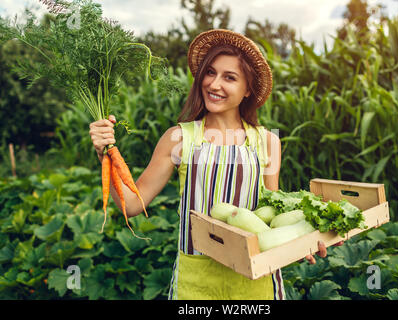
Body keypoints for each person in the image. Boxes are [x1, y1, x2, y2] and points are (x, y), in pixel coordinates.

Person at [89, 29, 335, 300]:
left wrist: (302, 243)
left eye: (229, 77)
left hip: (255, 281)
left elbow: (272, 213)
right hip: (197, 282)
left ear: (248, 89)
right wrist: (106, 153)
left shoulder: (267, 142)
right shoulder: (178, 138)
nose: (214, 84)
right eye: (210, 73)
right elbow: (133, 204)